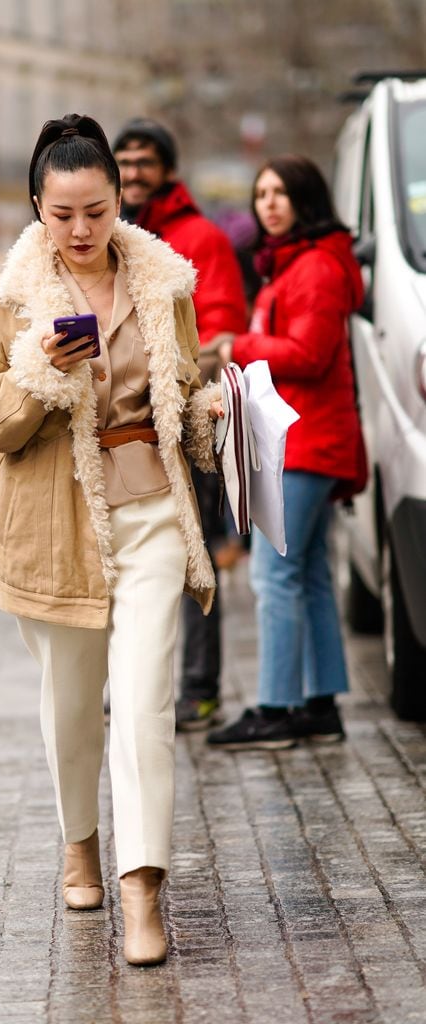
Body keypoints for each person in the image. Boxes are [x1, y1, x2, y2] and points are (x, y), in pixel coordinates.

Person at [0, 114, 223, 965]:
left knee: (144, 703)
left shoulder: (164, 284)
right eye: (62, 214)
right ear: (37, 206)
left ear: (119, 202)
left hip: (150, 516)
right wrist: (38, 370)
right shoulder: (6, 300)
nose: (80, 231)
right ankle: (80, 842)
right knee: (72, 707)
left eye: (96, 211)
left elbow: (184, 383)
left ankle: (143, 886)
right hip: (56, 524)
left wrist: (211, 411)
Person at [207, 154, 365, 751]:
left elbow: (310, 353)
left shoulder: (316, 267)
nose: (268, 203)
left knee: (275, 574)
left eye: (281, 192)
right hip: (304, 437)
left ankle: (276, 708)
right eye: (261, 193)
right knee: (311, 573)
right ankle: (320, 705)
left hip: (306, 441)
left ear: (306, 198)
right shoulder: (294, 264)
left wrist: (237, 343)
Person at [112, 117, 248, 732]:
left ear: (168, 169)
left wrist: (178, 379)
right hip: (119, 429)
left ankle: (198, 690)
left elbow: (221, 328)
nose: (135, 172)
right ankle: (137, 689)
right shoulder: (107, 236)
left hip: (183, 420)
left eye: (145, 161)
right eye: (126, 161)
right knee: (125, 556)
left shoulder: (200, 236)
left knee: (194, 558)